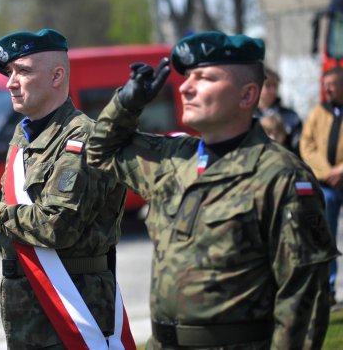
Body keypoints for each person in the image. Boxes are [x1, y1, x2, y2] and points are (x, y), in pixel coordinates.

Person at [88, 31, 337, 349]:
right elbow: (99, 152)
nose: (185, 86)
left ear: (247, 96)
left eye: (204, 78)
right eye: (188, 76)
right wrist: (126, 104)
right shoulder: (173, 158)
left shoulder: (280, 176)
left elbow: (302, 302)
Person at [0, 29, 130, 349]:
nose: (11, 82)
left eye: (23, 71)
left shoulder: (84, 139)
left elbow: (54, 226)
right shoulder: (22, 137)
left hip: (73, 306)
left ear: (56, 76)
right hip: (27, 307)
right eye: (9, 73)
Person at [300, 66, 343, 306]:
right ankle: (328, 288)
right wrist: (327, 173)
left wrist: (341, 170)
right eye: (325, 85)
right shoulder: (318, 113)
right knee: (325, 237)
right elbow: (307, 146)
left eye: (333, 84)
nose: (328, 89)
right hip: (327, 185)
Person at [254, 67, 302, 155]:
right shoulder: (247, 117)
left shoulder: (291, 117)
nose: (272, 90)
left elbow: (298, 149)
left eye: (275, 86)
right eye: (268, 85)